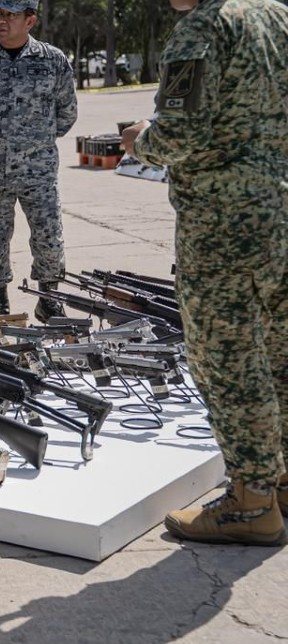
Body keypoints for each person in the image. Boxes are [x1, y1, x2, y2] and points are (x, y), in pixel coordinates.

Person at [121, 0, 288, 546]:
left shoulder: (203, 27)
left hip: (223, 223)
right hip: (278, 208)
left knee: (228, 357)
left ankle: (252, 500)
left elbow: (180, 135)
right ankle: (281, 479)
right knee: (279, 350)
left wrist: (141, 140)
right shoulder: (277, 16)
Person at [0, 0, 77, 321]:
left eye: (10, 15)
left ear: (30, 21)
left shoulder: (53, 60)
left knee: (49, 238)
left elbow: (67, 112)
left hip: (38, 171)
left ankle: (49, 298)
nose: (0, 21)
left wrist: (35, 142)